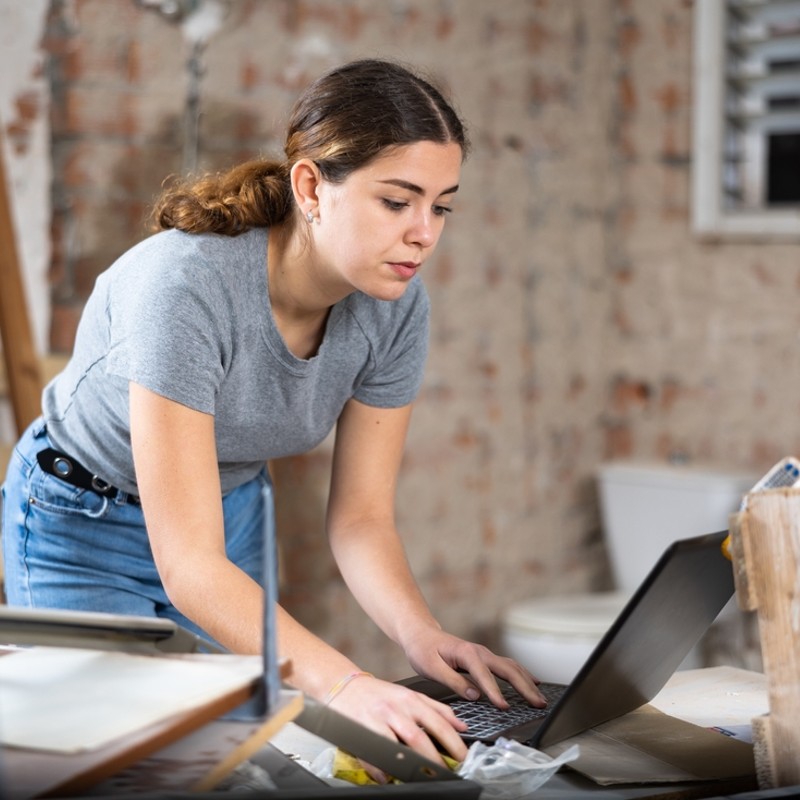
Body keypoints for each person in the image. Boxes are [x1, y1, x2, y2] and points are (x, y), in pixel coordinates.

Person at [1, 58, 543, 768]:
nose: (424, 233)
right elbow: (189, 563)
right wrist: (347, 682)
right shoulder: (184, 288)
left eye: (440, 205)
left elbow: (361, 519)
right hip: (82, 518)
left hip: (228, 510)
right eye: (396, 201)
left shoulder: (397, 309)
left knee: (236, 756)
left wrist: (423, 637)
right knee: (118, 764)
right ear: (313, 187)